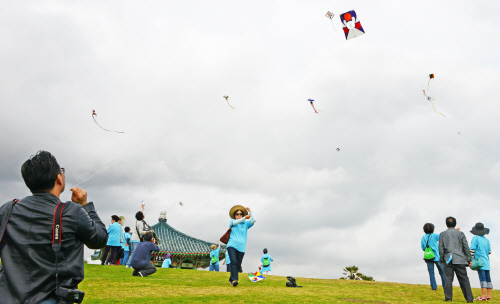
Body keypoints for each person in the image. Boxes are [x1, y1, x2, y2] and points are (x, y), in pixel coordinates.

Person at [0, 151, 108, 303]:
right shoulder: (71, 211)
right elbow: (99, 239)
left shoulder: (8, 209)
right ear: (58, 178)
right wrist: (85, 205)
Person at [439, 216, 473, 303]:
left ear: (446, 224)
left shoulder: (442, 234)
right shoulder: (460, 234)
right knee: (464, 279)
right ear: (455, 224)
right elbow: (466, 246)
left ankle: (448, 297)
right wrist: (469, 259)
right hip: (460, 259)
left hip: (448, 259)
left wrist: (442, 259)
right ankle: (469, 299)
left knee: (448, 279)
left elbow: (441, 248)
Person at [226, 205, 256, 287]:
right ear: (234, 215)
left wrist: (250, 211)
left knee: (238, 265)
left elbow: (254, 220)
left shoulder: (246, 224)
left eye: (240, 214)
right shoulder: (232, 221)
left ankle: (231, 279)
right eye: (237, 214)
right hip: (231, 245)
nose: (239, 215)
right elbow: (235, 222)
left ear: (243, 214)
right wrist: (244, 218)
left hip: (241, 247)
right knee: (233, 262)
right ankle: (235, 280)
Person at [470, 222, 493, 301]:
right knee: (488, 278)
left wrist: (471, 259)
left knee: (482, 278)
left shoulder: (475, 238)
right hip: (487, 262)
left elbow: (472, 250)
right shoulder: (487, 240)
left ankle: (483, 296)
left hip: (480, 262)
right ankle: (488, 295)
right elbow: (489, 252)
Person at [421, 223, 445, 290]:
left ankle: (434, 287)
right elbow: (443, 236)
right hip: (437, 256)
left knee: (431, 272)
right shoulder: (435, 235)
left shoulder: (423, 237)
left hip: (428, 257)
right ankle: (445, 286)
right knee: (442, 272)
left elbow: (423, 248)